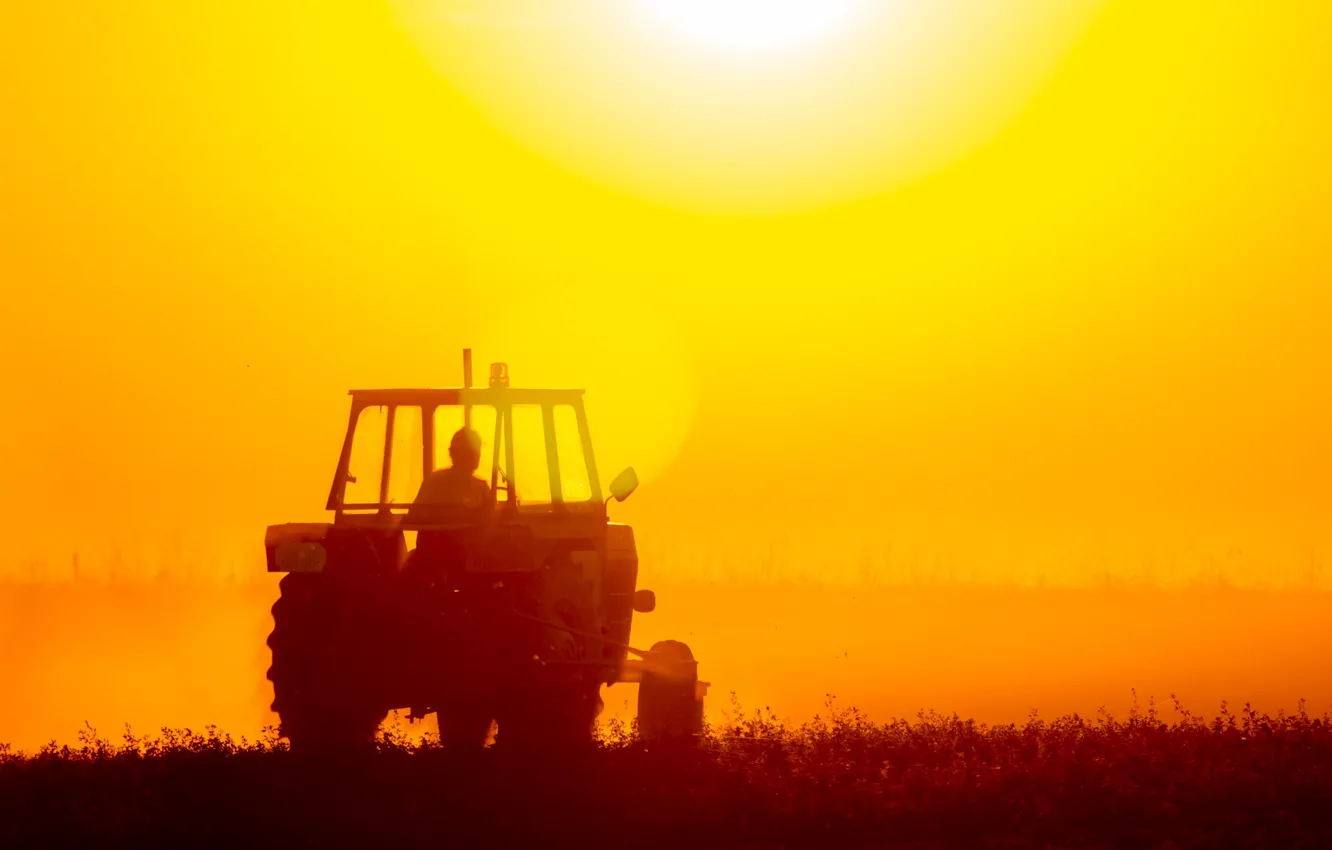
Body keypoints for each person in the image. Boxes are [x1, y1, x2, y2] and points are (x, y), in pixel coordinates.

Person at [408, 426, 494, 521]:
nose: (477, 455)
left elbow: (413, 514)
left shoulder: (433, 481)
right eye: (472, 451)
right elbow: (415, 515)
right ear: (455, 453)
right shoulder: (481, 488)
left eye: (477, 450)